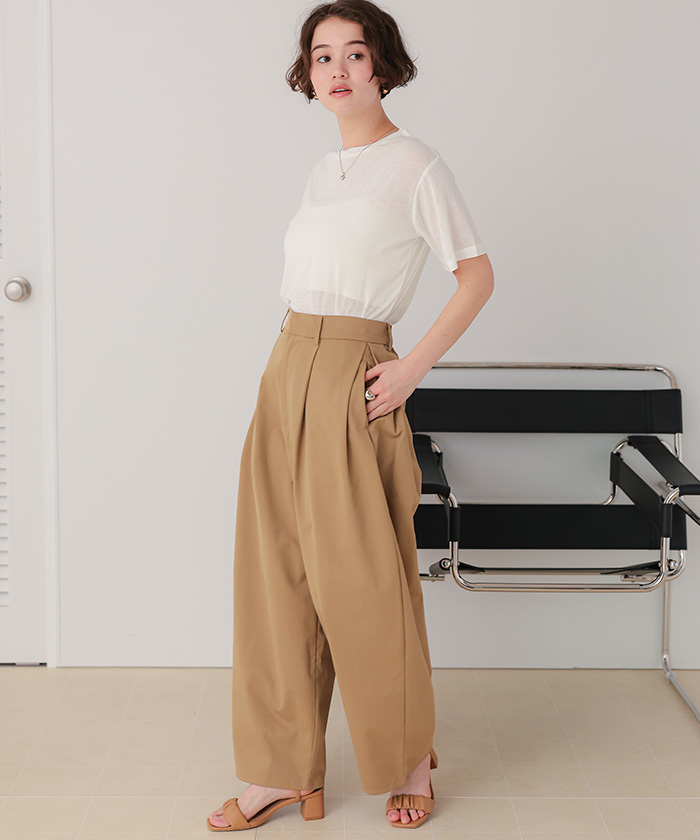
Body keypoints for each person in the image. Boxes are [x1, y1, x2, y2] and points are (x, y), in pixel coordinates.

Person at [207, 0, 494, 831]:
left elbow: (476, 274)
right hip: (286, 368)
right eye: (321, 55)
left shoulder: (416, 165)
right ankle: (280, 771)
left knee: (363, 582)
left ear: (383, 66)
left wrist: (411, 367)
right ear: (308, 73)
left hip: (353, 376)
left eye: (354, 53)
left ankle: (407, 757)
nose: (336, 69)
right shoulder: (321, 172)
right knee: (276, 577)